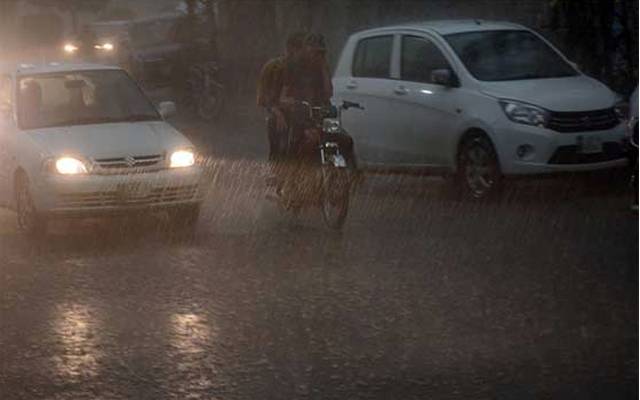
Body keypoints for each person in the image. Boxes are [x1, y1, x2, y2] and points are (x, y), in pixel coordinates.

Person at [257, 32, 306, 164]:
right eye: (299, 50)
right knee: (279, 151)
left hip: (299, 114)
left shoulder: (302, 68)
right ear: (291, 49)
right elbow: (263, 98)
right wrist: (277, 112)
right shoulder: (273, 67)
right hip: (279, 115)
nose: (301, 55)